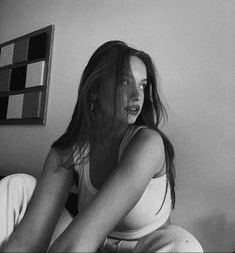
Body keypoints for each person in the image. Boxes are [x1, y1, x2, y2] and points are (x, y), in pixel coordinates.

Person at [0, 41, 203, 252]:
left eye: (142, 85)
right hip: (93, 245)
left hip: (140, 249)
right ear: (94, 89)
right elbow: (28, 241)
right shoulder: (68, 151)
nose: (138, 94)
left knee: (183, 244)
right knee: (18, 185)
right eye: (125, 82)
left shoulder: (147, 143)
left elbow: (76, 244)